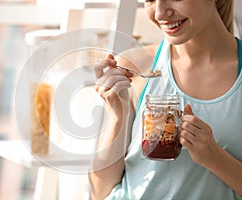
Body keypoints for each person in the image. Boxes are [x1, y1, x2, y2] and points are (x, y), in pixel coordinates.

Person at [89, 0, 242, 199]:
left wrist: (214, 157)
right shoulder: (136, 66)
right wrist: (119, 113)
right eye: (150, 0)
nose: (160, 13)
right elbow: (100, 192)